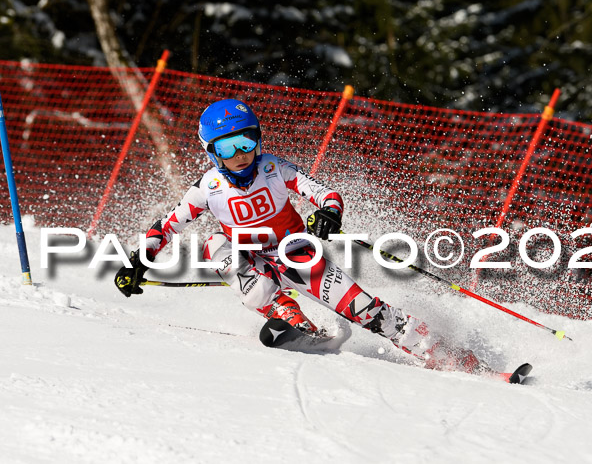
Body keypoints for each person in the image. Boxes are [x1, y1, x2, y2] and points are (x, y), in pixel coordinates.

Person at [114, 99, 485, 374]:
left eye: (246, 141)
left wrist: (329, 213)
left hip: (296, 253)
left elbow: (326, 194)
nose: (241, 154)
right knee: (217, 248)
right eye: (228, 147)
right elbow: (165, 226)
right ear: (212, 152)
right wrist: (137, 262)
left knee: (365, 311)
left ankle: (449, 354)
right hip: (247, 256)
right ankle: (290, 318)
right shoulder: (207, 189)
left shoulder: (275, 169)